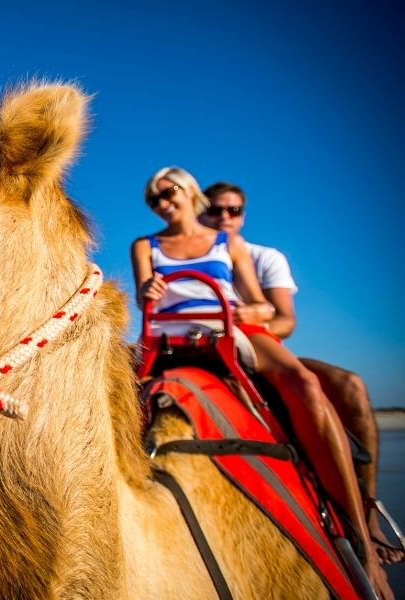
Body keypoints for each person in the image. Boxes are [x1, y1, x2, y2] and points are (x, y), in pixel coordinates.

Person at [130, 166, 391, 597]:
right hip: (170, 335)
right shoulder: (145, 244)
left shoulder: (228, 243)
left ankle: (362, 533)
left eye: (169, 193)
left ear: (189, 192)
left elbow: (262, 305)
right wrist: (150, 292)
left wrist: (252, 314)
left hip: (230, 328)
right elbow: (143, 294)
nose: (162, 204)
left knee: (305, 385)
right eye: (153, 199)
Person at [199, 181, 402, 565]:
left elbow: (286, 321)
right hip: (202, 351)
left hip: (259, 348)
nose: (224, 216)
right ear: (199, 211)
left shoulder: (264, 257)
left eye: (233, 210)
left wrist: (243, 324)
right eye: (214, 209)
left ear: (243, 214)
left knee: (348, 385)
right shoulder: (182, 255)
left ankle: (367, 512)